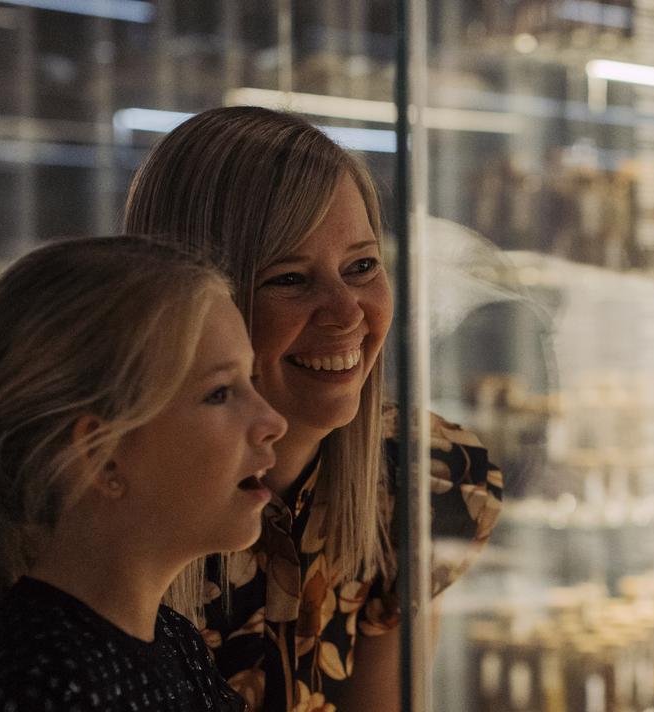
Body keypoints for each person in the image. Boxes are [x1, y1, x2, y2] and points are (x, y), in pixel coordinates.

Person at [123, 106, 505, 711]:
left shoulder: (420, 475)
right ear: (191, 303)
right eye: (290, 279)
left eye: (361, 267)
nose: (347, 312)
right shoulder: (108, 502)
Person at [0, 236, 288, 711]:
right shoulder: (42, 689)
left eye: (249, 382)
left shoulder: (174, 643)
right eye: (219, 393)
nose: (273, 423)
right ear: (100, 455)